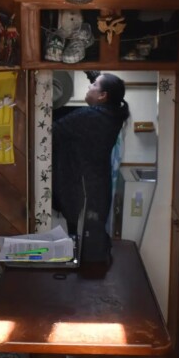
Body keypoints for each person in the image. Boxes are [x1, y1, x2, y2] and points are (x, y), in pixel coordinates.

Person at [52, 73, 130, 258]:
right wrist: (92, 74)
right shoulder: (112, 115)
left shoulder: (88, 116)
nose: (89, 87)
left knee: (82, 243)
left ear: (103, 95)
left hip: (82, 190)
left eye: (93, 84)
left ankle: (87, 269)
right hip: (96, 187)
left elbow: (48, 132)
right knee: (90, 237)